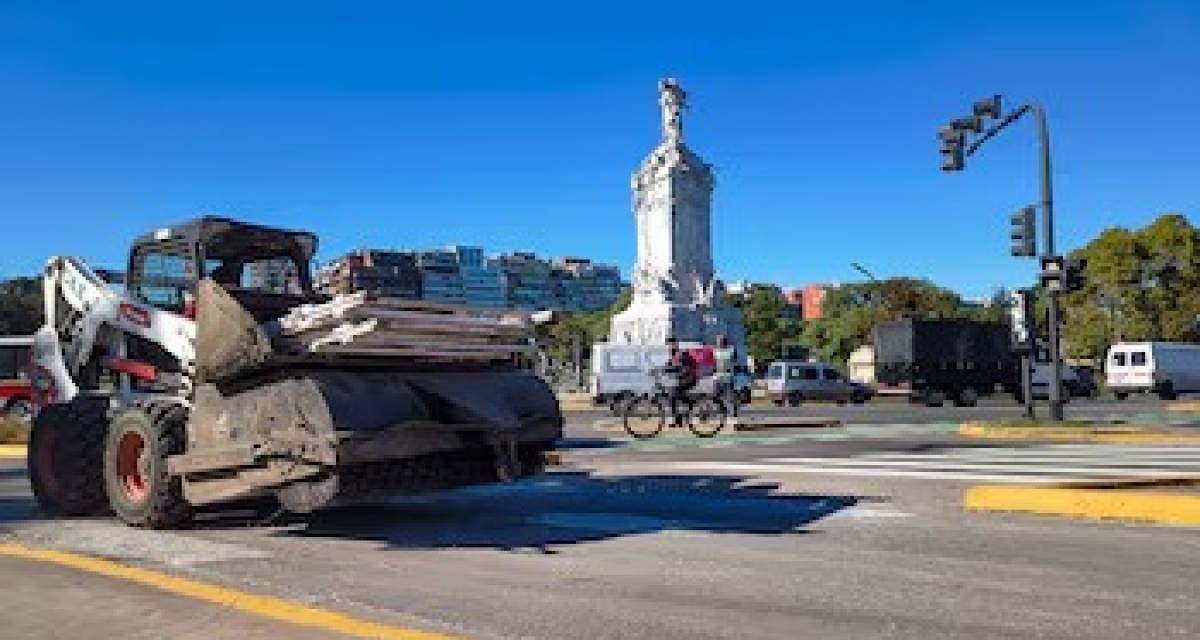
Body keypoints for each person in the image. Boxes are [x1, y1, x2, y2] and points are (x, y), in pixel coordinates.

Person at [663, 337, 698, 426]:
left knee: (673, 394)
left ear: (676, 344)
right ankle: (680, 416)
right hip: (683, 379)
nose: (670, 347)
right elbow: (668, 366)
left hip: (690, 378)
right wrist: (658, 370)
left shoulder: (682, 354)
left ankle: (688, 407)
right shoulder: (673, 355)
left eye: (672, 344)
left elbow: (682, 367)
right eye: (668, 345)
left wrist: (673, 370)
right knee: (674, 396)